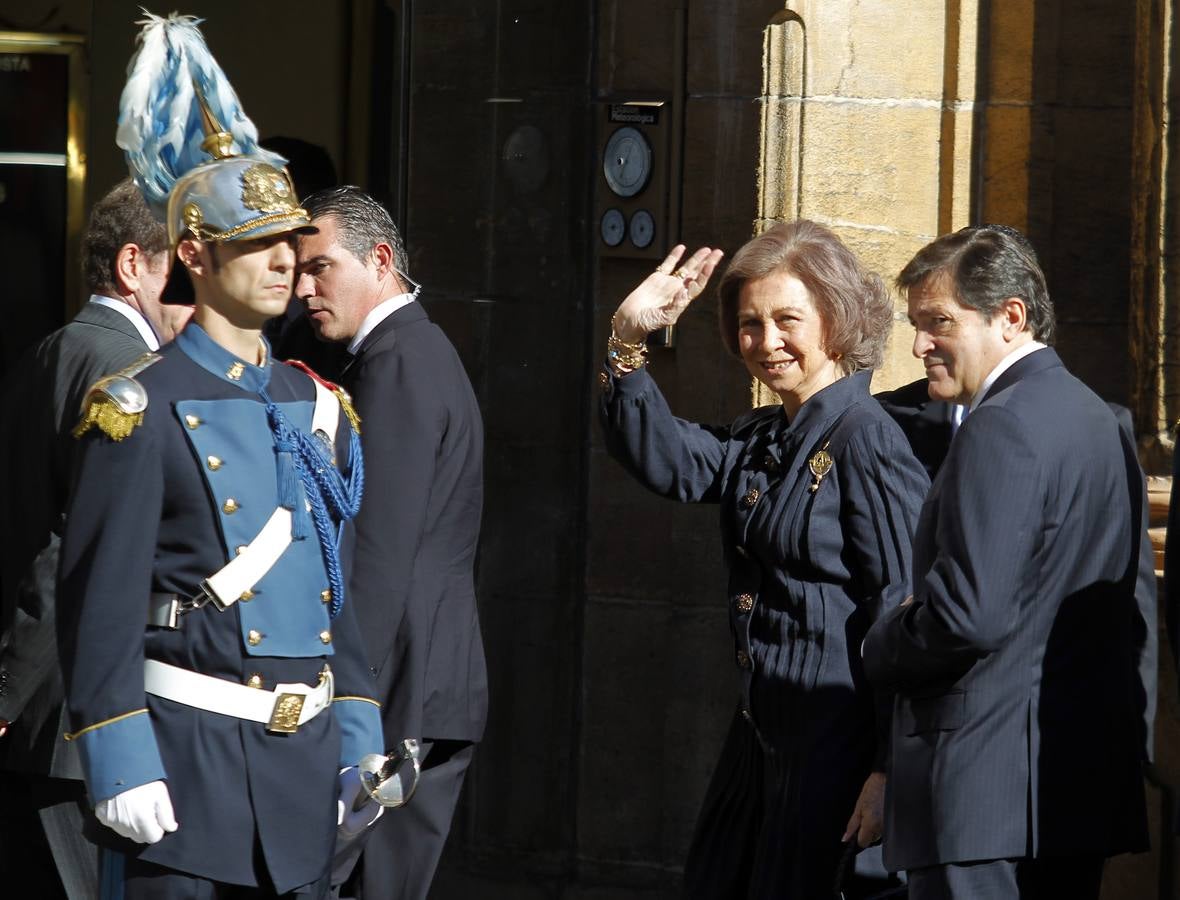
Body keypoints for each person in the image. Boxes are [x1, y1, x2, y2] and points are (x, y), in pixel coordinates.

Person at [56, 14, 385, 897]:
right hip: (187, 770)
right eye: (256, 243)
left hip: (307, 772)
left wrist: (359, 736)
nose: (283, 262)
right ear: (195, 256)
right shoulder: (137, 407)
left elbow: (336, 601)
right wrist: (118, 753)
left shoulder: (319, 406)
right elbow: (100, 599)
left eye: (290, 243)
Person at [599, 221, 928, 898]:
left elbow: (903, 611)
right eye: (751, 323)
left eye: (787, 320)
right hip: (761, 739)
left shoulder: (866, 439)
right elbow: (669, 460)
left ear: (837, 319)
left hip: (835, 752)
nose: (766, 341)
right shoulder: (763, 436)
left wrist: (890, 768)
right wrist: (627, 341)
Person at [862, 224, 1156, 899]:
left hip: (983, 801)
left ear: (1011, 317)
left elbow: (969, 617)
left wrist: (884, 639)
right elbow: (1132, 607)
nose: (919, 345)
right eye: (916, 324)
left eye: (939, 322)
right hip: (1074, 794)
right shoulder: (1099, 417)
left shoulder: (999, 424)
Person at [293, 185, 487, 900]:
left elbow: (376, 551)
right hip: (418, 678)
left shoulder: (398, 360)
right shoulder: (406, 352)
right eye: (298, 271)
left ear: (380, 260)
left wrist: (348, 696)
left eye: (320, 267)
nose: (304, 289)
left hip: (400, 684)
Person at [0, 179, 183, 900]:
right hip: (73, 717)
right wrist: (9, 688)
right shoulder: (128, 373)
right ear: (133, 265)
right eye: (184, 270)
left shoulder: (54, 348)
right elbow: (73, 545)